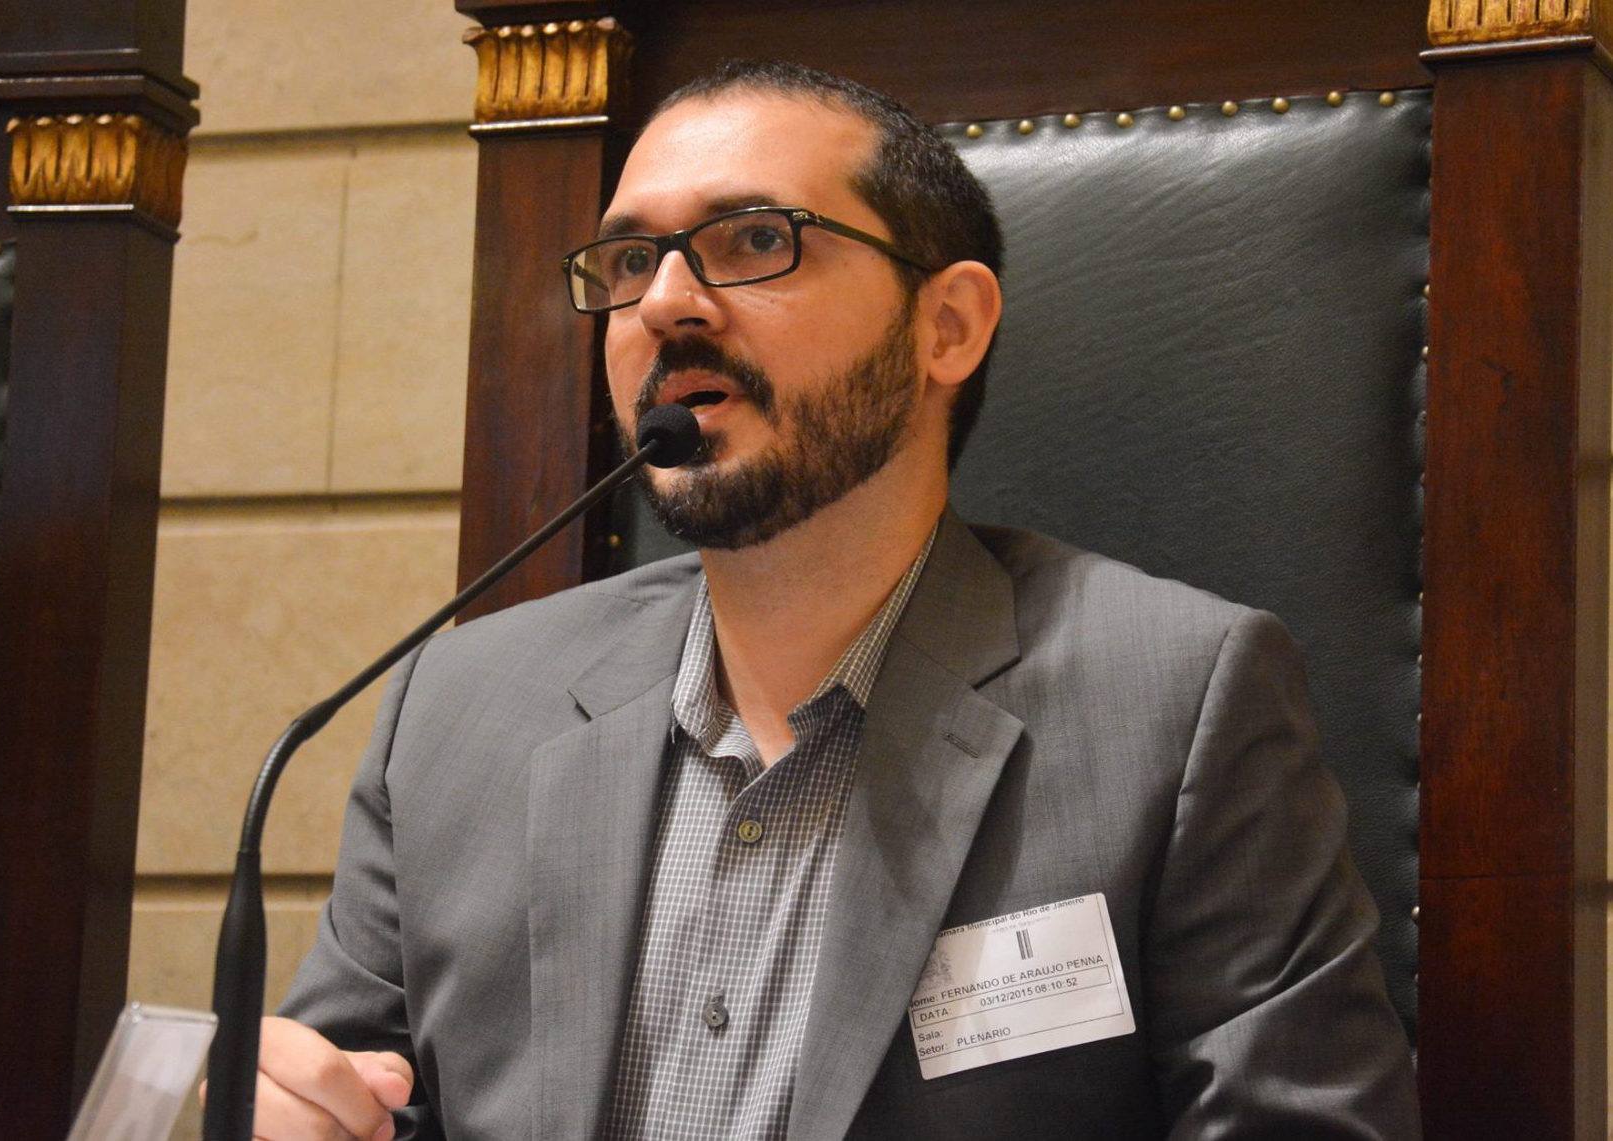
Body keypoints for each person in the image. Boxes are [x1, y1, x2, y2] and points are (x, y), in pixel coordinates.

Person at [243, 60, 1420, 1140]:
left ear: (945, 326)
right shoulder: (457, 711)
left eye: (756, 239)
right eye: (629, 261)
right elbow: (354, 1096)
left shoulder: (1179, 704)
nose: (665, 304)